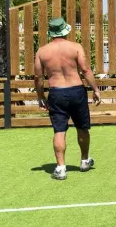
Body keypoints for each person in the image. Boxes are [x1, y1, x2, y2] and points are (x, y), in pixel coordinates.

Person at [34, 17, 101, 180]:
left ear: (51, 33)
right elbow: (85, 70)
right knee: (82, 127)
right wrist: (96, 89)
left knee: (59, 130)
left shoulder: (42, 51)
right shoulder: (75, 47)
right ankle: (84, 160)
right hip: (76, 91)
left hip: (56, 92)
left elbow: (38, 77)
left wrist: (40, 96)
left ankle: (61, 168)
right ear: (65, 30)